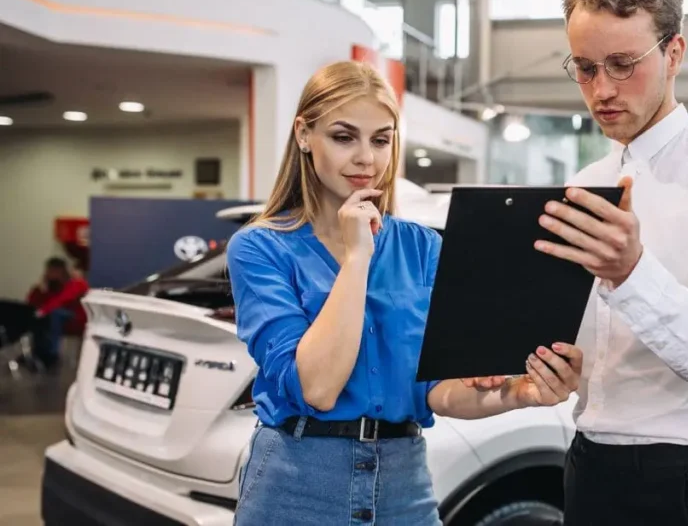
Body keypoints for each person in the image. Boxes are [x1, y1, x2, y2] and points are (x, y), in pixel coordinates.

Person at [225, 60, 584, 526]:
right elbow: (317, 387)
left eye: (380, 139)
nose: (366, 159)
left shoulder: (424, 247)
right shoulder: (259, 247)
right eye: (343, 136)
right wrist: (357, 258)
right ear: (303, 135)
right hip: (297, 483)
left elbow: (438, 392)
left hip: (404, 482)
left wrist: (521, 393)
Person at [536, 0, 688, 523]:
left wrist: (632, 273)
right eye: (584, 67)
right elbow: (582, 351)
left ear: (673, 54)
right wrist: (559, 369)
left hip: (687, 487)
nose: (601, 89)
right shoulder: (583, 186)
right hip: (586, 467)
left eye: (623, 65)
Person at [24, 257, 88, 370]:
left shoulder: (76, 284)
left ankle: (52, 356)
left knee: (56, 314)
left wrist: (43, 311)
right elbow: (31, 304)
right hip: (51, 317)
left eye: (54, 270)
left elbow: (62, 301)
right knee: (38, 317)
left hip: (75, 319)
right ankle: (37, 353)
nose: (50, 273)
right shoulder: (49, 286)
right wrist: (40, 289)